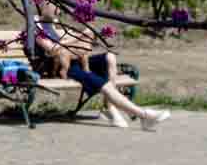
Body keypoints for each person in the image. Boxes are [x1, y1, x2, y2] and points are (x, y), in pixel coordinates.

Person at [30, 18, 169, 131]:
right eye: (53, 6)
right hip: (64, 68)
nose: (57, 10)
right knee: (102, 83)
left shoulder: (55, 24)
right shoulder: (36, 27)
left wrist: (84, 37)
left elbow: (82, 46)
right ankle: (142, 115)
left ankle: (110, 108)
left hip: (76, 59)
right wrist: (77, 38)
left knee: (110, 57)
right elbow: (54, 50)